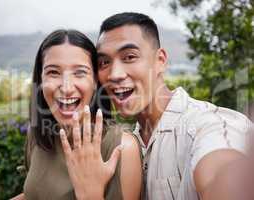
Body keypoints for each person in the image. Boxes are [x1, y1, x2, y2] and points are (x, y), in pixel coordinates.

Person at [63, 12, 252, 200]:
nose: (115, 74)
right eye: (104, 62)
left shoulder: (207, 125)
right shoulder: (125, 144)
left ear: (160, 60)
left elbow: (220, 170)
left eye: (129, 57)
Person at [11, 29, 142, 200]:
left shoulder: (122, 148)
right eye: (53, 72)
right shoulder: (37, 135)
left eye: (79, 72)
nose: (66, 88)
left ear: (95, 81)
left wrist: (90, 193)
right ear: (41, 80)